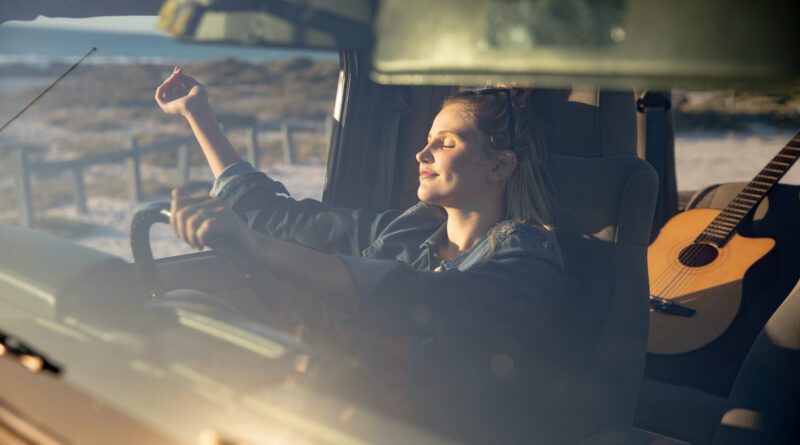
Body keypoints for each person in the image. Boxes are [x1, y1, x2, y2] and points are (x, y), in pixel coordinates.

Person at [155, 66, 565, 441]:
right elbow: (277, 216)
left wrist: (259, 248)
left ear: (500, 166)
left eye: (446, 143)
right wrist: (198, 115)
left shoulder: (528, 263)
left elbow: (416, 299)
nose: (422, 155)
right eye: (426, 141)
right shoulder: (405, 231)